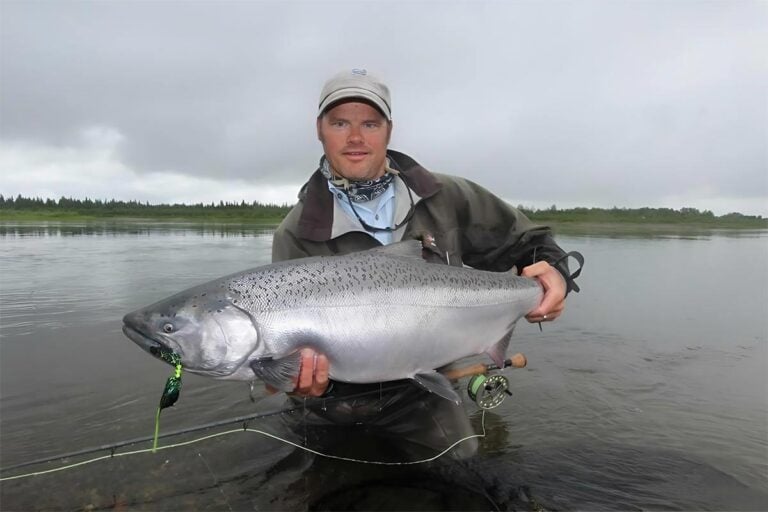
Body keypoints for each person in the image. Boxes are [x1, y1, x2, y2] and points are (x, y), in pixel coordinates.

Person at [270, 68, 581, 459]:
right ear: (319, 129)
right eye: (339, 123)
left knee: (461, 467)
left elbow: (531, 243)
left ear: (389, 130)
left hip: (426, 390)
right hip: (329, 406)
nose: (355, 137)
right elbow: (285, 352)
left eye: (369, 123)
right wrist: (298, 379)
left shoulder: (444, 196)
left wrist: (555, 275)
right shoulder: (297, 233)